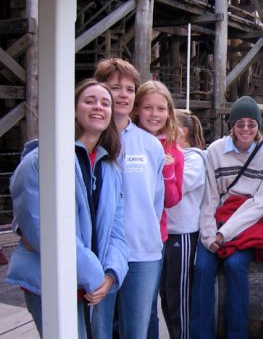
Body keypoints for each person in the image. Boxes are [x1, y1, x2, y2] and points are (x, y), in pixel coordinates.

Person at [6, 79, 129, 338]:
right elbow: (41, 227)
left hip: (91, 286)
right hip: (51, 284)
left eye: (105, 103)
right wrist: (95, 275)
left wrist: (111, 274)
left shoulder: (110, 166)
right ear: (73, 109)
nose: (98, 107)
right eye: (89, 101)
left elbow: (117, 228)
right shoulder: (40, 160)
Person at [190, 95, 263, 339]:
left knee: (235, 265)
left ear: (258, 126)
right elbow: (208, 198)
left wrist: (224, 233)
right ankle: (200, 335)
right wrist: (210, 235)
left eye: (251, 124)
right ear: (231, 125)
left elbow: (261, 203)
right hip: (219, 216)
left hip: (250, 221)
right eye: (239, 123)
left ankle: (237, 334)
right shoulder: (215, 151)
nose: (245, 129)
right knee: (202, 268)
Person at [94, 59, 166, 339]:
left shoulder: (150, 145)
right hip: (99, 255)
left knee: (135, 331)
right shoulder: (91, 138)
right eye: (114, 87)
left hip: (142, 254)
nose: (123, 94)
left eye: (129, 89)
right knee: (99, 330)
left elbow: (155, 202)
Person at [130, 80, 185, 339]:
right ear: (137, 109)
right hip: (120, 234)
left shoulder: (174, 150)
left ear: (169, 113)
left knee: (146, 307)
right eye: (148, 108)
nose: (154, 115)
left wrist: (167, 170)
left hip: (153, 237)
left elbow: (172, 200)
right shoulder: (122, 140)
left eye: (161, 109)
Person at [161, 110, 206, 339]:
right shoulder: (169, 156)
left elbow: (177, 187)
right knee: (167, 297)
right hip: (165, 235)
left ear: (183, 131)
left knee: (179, 296)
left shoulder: (194, 159)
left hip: (183, 234)